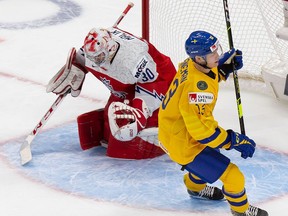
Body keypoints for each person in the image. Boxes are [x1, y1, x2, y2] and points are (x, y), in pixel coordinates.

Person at [158, 30, 269, 216]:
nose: (218, 55)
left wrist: (224, 68)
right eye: (212, 54)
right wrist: (234, 141)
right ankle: (240, 211)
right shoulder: (196, 90)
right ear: (200, 59)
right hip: (183, 144)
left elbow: (206, 76)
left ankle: (194, 187)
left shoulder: (191, 65)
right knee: (234, 176)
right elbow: (203, 132)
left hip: (174, 132)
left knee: (211, 155)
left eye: (217, 50)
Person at [46, 27, 176, 159]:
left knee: (127, 137)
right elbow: (85, 55)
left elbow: (151, 85)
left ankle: (160, 133)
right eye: (92, 57)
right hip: (131, 84)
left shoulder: (133, 59)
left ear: (111, 48)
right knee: (112, 122)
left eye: (99, 57)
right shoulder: (98, 48)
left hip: (159, 80)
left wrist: (140, 113)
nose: (95, 61)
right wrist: (78, 66)